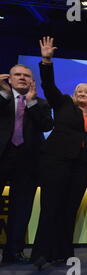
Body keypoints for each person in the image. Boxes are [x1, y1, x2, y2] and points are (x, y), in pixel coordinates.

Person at [31, 37, 87, 269]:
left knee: (70, 210)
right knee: (51, 207)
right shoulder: (63, 104)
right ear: (74, 94)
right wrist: (46, 60)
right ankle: (41, 254)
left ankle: (62, 252)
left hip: (80, 168)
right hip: (56, 162)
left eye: (86, 92)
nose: (82, 93)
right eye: (79, 90)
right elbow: (48, 86)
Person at [0, 65, 53, 264]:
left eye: (26, 76)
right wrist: (4, 93)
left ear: (32, 81)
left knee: (21, 208)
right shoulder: (2, 97)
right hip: (2, 157)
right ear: (10, 79)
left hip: (28, 162)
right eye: (18, 75)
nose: (22, 78)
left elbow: (47, 125)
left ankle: (13, 252)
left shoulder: (40, 102)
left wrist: (31, 103)